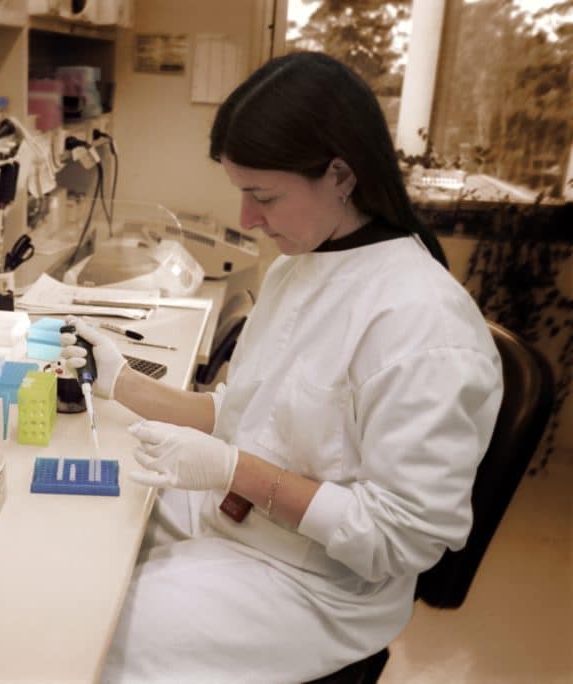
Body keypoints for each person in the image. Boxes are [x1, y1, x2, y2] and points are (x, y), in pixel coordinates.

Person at [60, 51, 503, 683]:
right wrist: (125, 384)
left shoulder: (423, 324)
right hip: (235, 519)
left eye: (263, 196)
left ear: (341, 175)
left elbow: (401, 537)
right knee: (71, 548)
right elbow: (258, 412)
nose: (247, 219)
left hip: (311, 580)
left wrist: (233, 468)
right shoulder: (298, 266)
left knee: (88, 644)